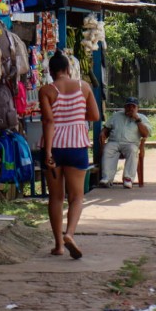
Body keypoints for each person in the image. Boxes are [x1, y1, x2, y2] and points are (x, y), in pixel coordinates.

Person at [39, 50, 99, 259]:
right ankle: (70, 234)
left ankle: (58, 245)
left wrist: (47, 152)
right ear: (67, 69)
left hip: (54, 148)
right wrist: (75, 114)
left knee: (55, 198)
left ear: (51, 71)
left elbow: (48, 122)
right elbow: (94, 115)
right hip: (77, 147)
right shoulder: (84, 87)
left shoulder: (46, 90)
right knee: (76, 197)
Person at [98, 97, 152, 189]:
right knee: (108, 149)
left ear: (137, 108)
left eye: (133, 107)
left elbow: (146, 134)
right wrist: (103, 132)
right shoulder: (116, 115)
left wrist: (137, 119)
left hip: (131, 143)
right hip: (114, 142)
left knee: (132, 150)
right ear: (124, 107)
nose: (130, 109)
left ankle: (128, 179)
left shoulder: (142, 118)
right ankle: (107, 178)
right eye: (128, 106)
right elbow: (106, 128)